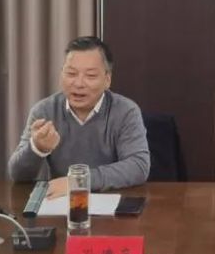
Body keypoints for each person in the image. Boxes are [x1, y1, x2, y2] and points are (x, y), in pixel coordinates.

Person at [8, 35, 150, 198]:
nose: (78, 83)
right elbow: (17, 175)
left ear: (107, 80)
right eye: (71, 73)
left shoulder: (125, 111)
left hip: (111, 202)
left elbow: (138, 166)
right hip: (61, 204)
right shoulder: (44, 111)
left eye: (90, 76)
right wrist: (37, 148)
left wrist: (78, 181)